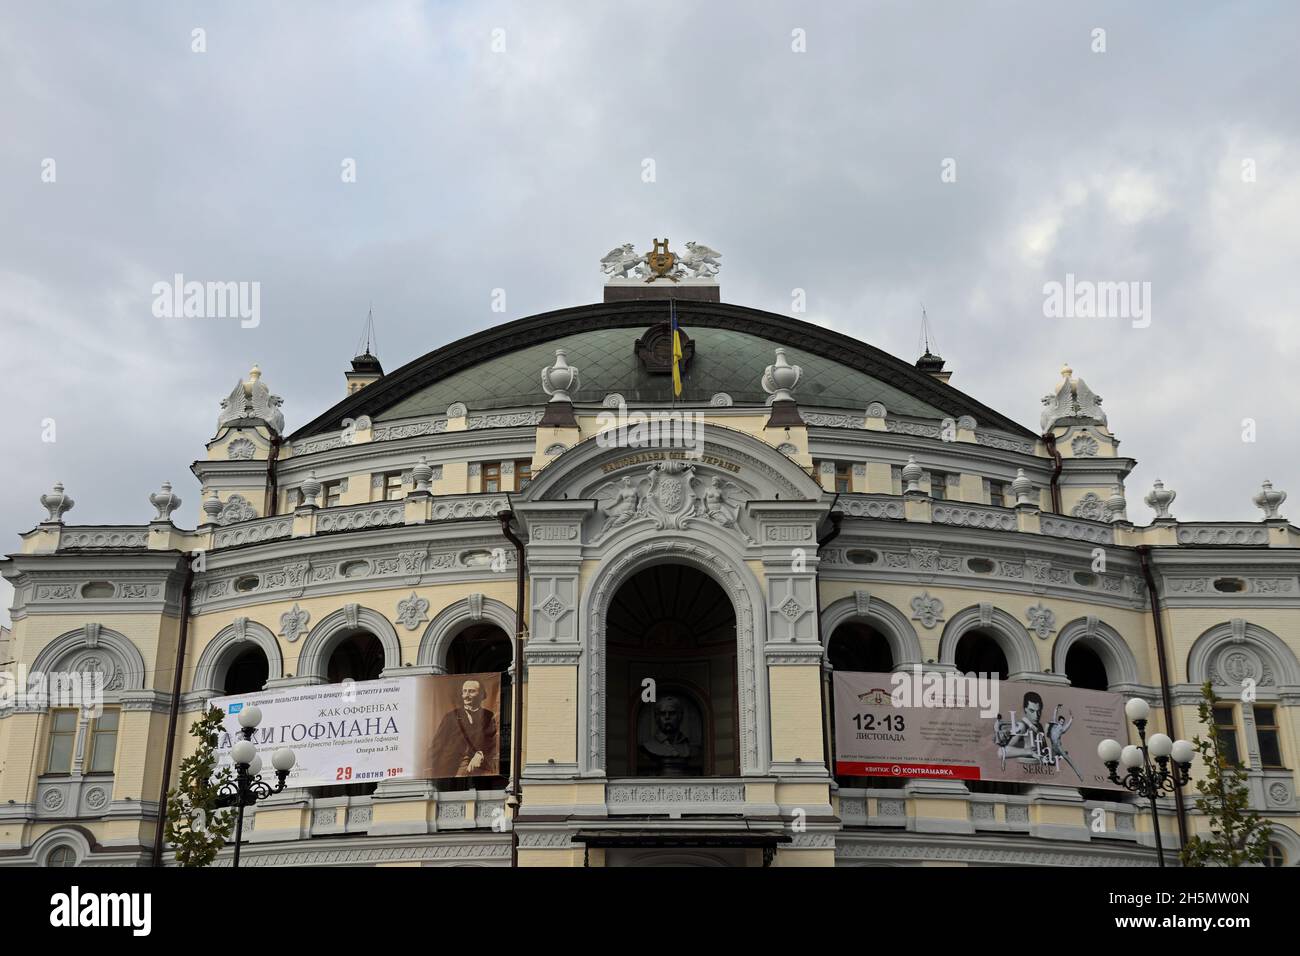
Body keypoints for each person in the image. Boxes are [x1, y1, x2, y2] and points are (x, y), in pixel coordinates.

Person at [432, 679, 499, 777]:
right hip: (451, 766)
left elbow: (491, 740)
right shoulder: (450, 716)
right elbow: (438, 744)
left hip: (478, 766)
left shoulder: (488, 716)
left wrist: (480, 753)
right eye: (464, 691)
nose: (466, 695)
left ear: (481, 695)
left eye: (471, 691)